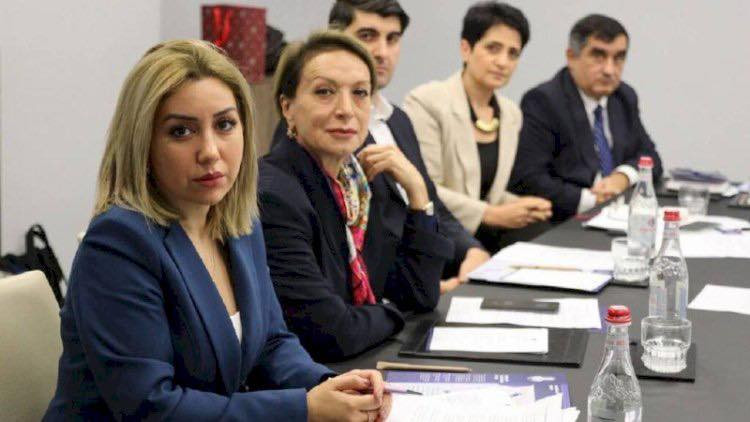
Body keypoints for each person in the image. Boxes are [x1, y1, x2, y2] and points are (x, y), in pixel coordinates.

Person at [44, 39, 391, 421]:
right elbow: (152, 406)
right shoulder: (118, 243)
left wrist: (330, 386)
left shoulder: (239, 223)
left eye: (225, 125)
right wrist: (304, 409)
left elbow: (271, 344)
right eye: (181, 132)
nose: (210, 150)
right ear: (143, 142)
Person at [259, 31, 453, 362]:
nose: (346, 110)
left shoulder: (357, 184)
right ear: (287, 107)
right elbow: (331, 333)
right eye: (325, 92)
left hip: (360, 359)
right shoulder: (275, 195)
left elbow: (418, 295)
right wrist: (391, 311)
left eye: (360, 93)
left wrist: (418, 193)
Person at [329, 0, 491, 291]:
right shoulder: (329, 128)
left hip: (426, 280)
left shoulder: (398, 119)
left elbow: (430, 202)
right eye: (367, 36)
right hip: (385, 297)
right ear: (335, 38)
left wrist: (471, 249)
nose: (382, 52)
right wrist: (424, 287)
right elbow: (347, 244)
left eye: (392, 39)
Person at [404, 1, 552, 253]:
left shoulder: (511, 113)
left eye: (513, 53)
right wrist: (492, 213)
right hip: (443, 231)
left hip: (488, 230)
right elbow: (425, 188)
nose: (503, 62)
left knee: (545, 235)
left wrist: (522, 205)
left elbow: (486, 192)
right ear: (466, 49)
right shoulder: (427, 102)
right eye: (493, 48)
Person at [508, 14, 663, 221]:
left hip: (615, 215)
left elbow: (651, 158)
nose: (609, 70)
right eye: (599, 56)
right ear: (571, 57)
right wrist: (592, 199)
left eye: (618, 58)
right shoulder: (544, 101)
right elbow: (528, 179)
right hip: (563, 220)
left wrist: (622, 177)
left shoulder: (623, 97)